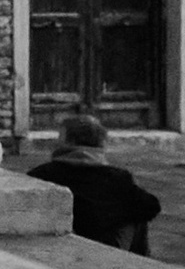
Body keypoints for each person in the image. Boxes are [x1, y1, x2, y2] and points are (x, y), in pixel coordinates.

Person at [30, 105, 163, 252]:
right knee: (137, 207)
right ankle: (139, 265)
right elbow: (152, 207)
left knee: (136, 204)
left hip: (59, 248)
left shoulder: (41, 174)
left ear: (70, 142)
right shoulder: (118, 178)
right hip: (105, 249)